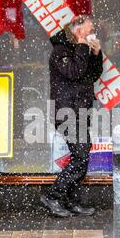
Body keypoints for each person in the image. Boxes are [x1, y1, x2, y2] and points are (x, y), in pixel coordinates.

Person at [40, 15, 103, 217]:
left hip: (81, 110)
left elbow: (91, 74)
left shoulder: (79, 50)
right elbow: (75, 72)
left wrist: (96, 53)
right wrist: (83, 47)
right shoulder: (61, 52)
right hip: (67, 112)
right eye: (89, 29)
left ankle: (69, 200)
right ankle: (53, 195)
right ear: (78, 31)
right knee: (81, 156)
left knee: (82, 157)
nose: (93, 32)